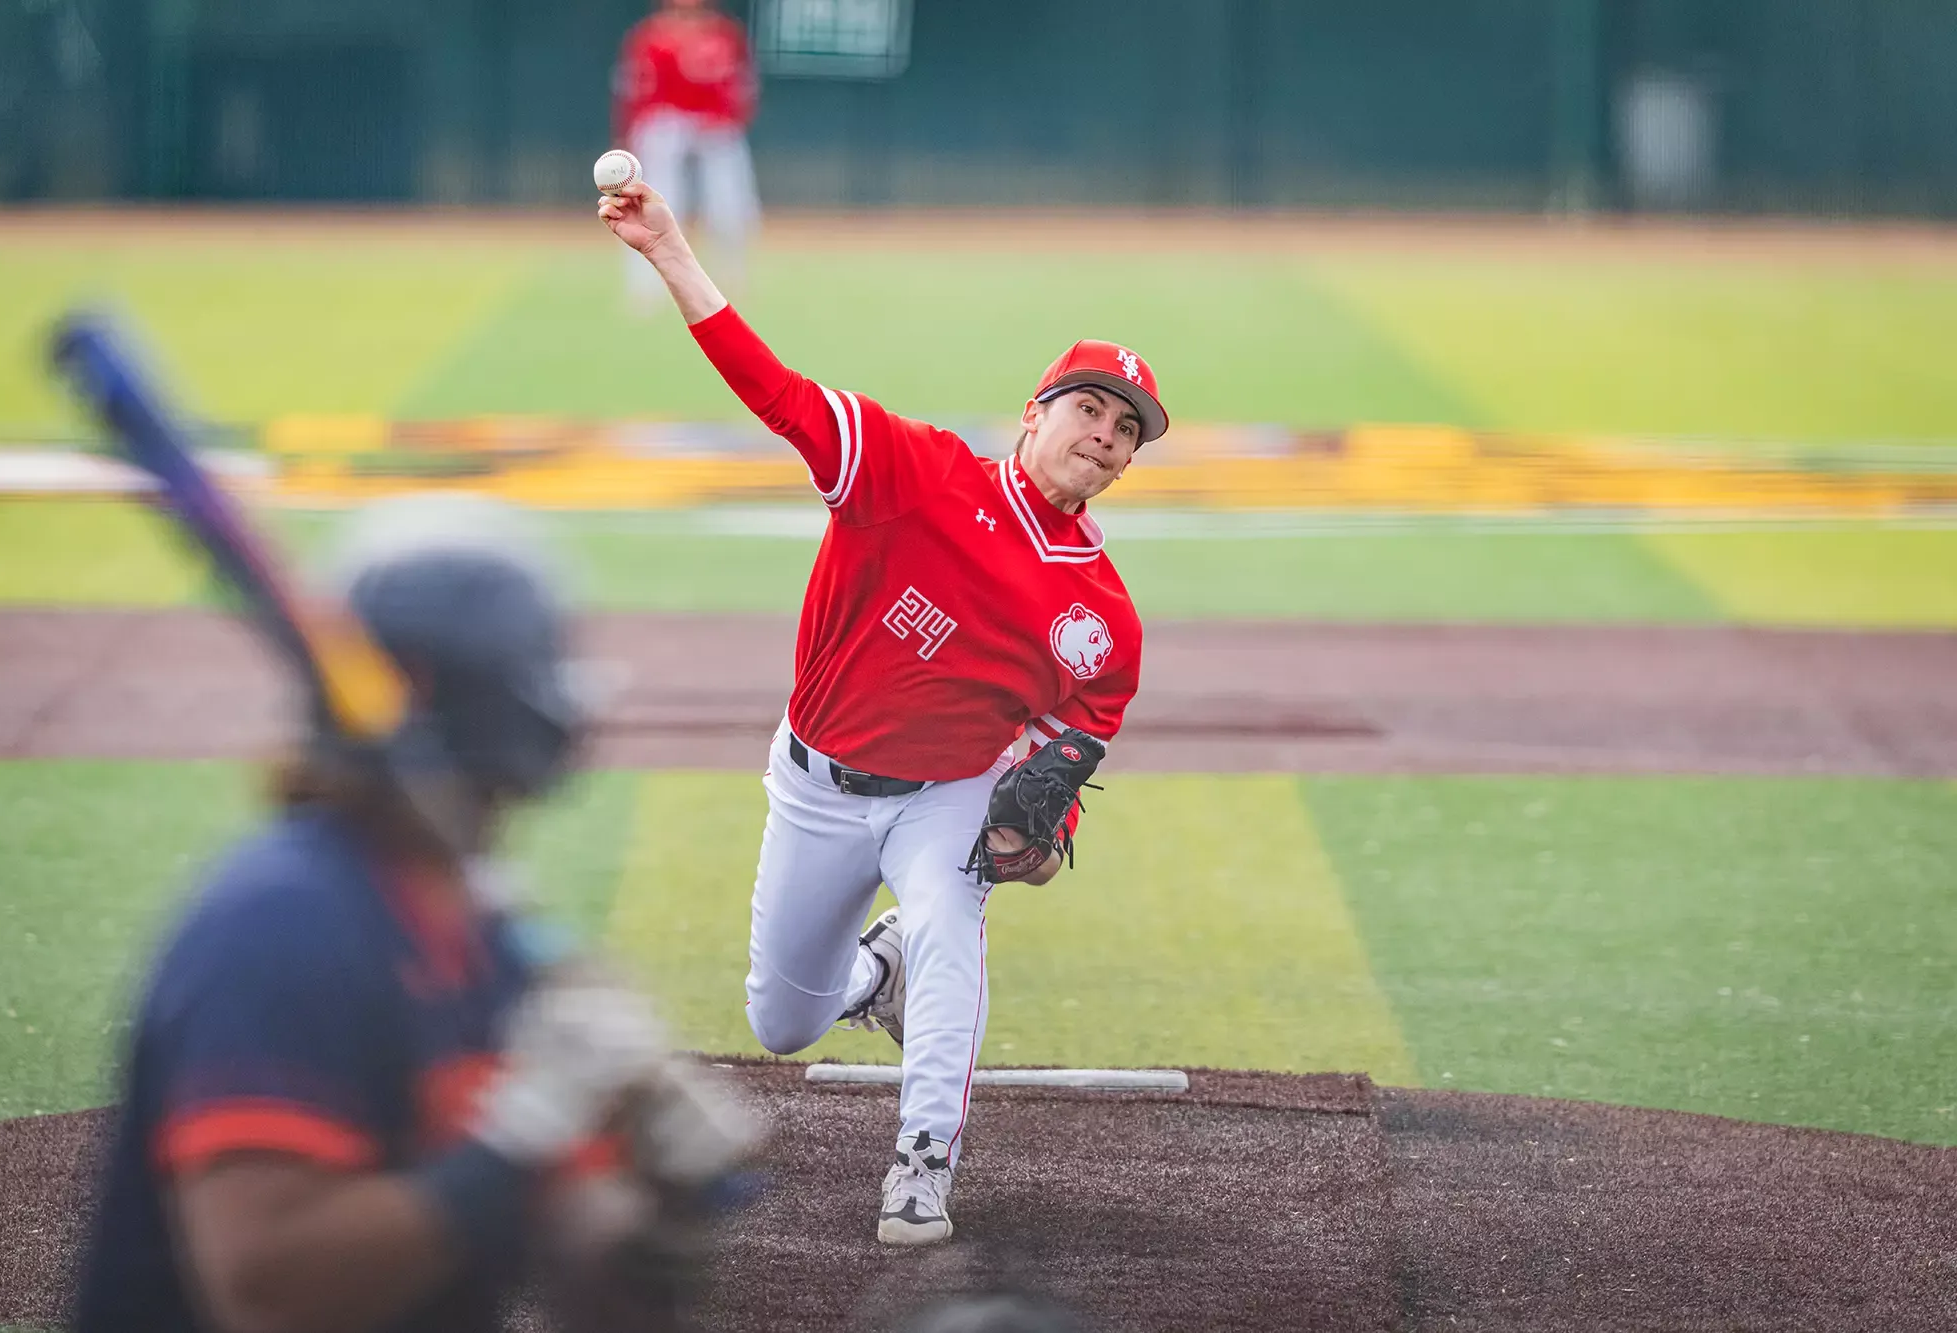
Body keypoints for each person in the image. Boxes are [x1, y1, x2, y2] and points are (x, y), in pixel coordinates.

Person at [597, 180, 1163, 1246]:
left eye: (1125, 427)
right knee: (782, 1020)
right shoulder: (915, 472)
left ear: (1129, 462)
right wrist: (672, 252)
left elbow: (1061, 760)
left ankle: (921, 1163)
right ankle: (874, 972)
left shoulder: (1102, 621)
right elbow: (780, 395)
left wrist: (1035, 845)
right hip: (812, 779)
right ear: (1034, 412)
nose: (1103, 432)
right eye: (1088, 406)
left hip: (942, 797)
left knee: (952, 921)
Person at [71, 502, 724, 1333]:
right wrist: (522, 1133)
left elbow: (589, 1271)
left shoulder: (487, 940)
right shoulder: (280, 926)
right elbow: (269, 1292)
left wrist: (666, 1208)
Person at [611, 0, 760, 308]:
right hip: (666, 123)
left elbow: (743, 89)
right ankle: (645, 289)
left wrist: (728, 118)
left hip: (714, 124)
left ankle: (731, 281)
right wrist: (629, 135)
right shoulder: (649, 37)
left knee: (729, 207)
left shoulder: (724, 34)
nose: (686, 16)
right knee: (652, 205)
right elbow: (632, 92)